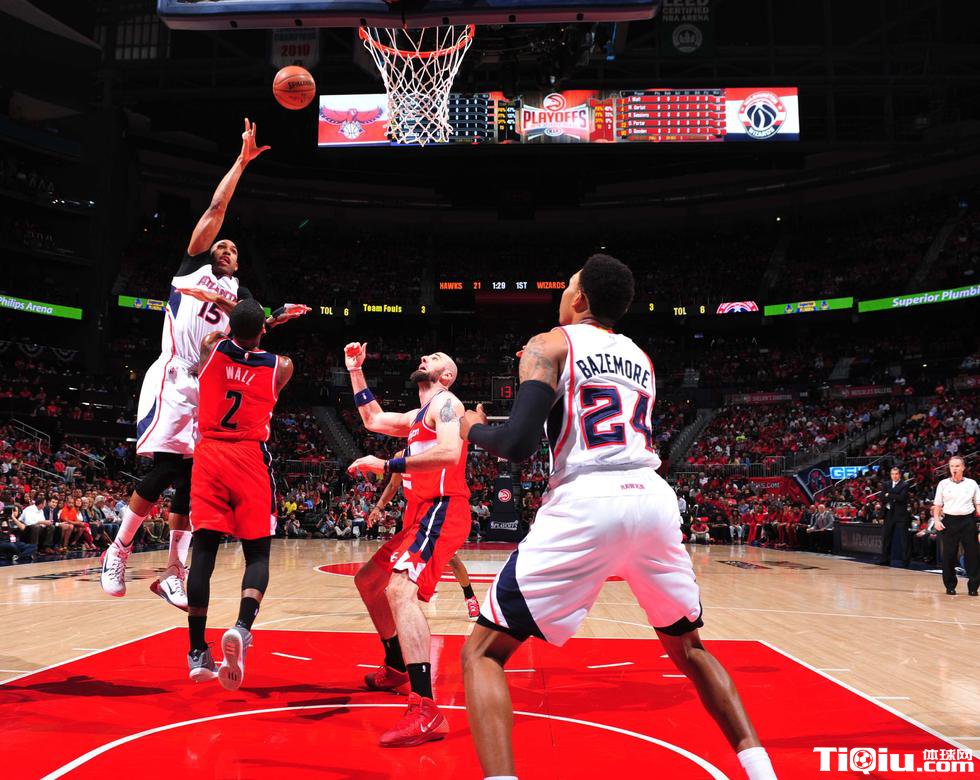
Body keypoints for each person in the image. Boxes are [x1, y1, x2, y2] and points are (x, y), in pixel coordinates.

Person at [457, 254, 776, 780]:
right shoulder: (640, 357)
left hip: (588, 497)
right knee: (690, 649)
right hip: (651, 498)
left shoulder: (549, 344)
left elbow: (515, 444)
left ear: (580, 298)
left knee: (483, 655)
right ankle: (761, 770)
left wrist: (471, 427)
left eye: (567, 285)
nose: (562, 293)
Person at [101, 120, 308, 608]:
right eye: (221, 246)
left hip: (209, 387)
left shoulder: (242, 295)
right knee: (165, 469)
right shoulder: (191, 267)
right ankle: (118, 549)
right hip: (175, 377)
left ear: (238, 263)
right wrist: (241, 161)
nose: (226, 249)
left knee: (194, 479)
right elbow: (217, 208)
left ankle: (174, 570)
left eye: (233, 249)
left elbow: (248, 328)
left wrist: (275, 317)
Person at [344, 342, 471, 747]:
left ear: (446, 375)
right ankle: (397, 665)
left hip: (443, 508)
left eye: (437, 358)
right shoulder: (419, 415)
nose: (426, 358)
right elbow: (373, 419)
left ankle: (426, 708)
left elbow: (449, 453)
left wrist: (385, 465)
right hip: (419, 517)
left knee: (400, 591)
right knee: (369, 581)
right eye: (425, 356)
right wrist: (355, 370)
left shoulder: (446, 403)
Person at [184, 299, 294, 689]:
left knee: (204, 553)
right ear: (262, 329)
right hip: (249, 458)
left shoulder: (212, 346)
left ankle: (197, 652)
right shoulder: (281, 366)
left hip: (210, 456)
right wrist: (268, 323)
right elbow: (252, 341)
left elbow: (235, 333)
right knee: (258, 553)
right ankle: (242, 627)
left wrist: (265, 320)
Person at [367, 454, 481, 619]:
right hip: (413, 511)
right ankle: (402, 592)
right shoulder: (401, 456)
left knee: (451, 558)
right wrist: (378, 507)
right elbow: (393, 485)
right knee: (404, 555)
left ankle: (470, 597)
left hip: (433, 509)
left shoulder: (434, 452)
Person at [932, 455, 980, 596]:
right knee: (948, 555)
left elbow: (978, 504)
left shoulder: (972, 483)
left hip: (968, 521)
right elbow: (937, 505)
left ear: (963, 467)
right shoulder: (943, 484)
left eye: (957, 466)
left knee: (973, 555)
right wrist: (936, 520)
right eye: (952, 466)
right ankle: (950, 586)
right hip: (949, 521)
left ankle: (973, 587)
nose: (954, 468)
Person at [877, 467, 912, 567]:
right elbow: (882, 497)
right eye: (892, 474)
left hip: (901, 515)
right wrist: (893, 495)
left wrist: (889, 494)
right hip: (889, 514)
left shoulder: (905, 484)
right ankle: (885, 559)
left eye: (896, 474)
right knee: (886, 537)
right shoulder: (886, 484)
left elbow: (902, 498)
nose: (894, 476)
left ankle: (906, 562)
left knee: (904, 539)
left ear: (899, 475)